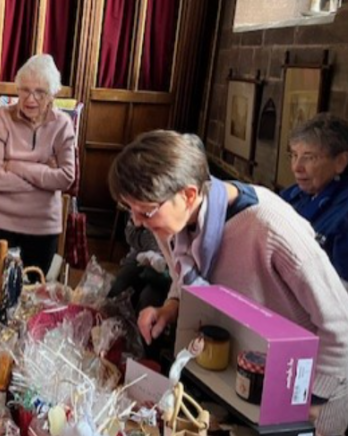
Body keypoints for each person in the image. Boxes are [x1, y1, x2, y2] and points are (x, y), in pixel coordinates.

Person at [108, 130, 348, 436]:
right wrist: (171, 306)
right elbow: (185, 276)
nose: (139, 221)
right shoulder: (178, 222)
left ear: (189, 195)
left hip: (312, 386)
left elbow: (340, 322)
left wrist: (308, 399)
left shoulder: (268, 225)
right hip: (248, 373)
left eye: (145, 211)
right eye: (130, 209)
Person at [0, 54, 76, 274]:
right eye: (25, 90)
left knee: (30, 293)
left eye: (39, 92)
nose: (30, 99)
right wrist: (44, 178)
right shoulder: (1, 118)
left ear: (52, 95)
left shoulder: (62, 125)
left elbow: (66, 177)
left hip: (41, 227)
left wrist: (16, 166)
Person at [280, 113, 348, 289]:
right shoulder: (292, 194)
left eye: (309, 157)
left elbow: (342, 291)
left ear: (340, 162)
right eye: (294, 155)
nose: (296, 167)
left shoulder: (344, 215)